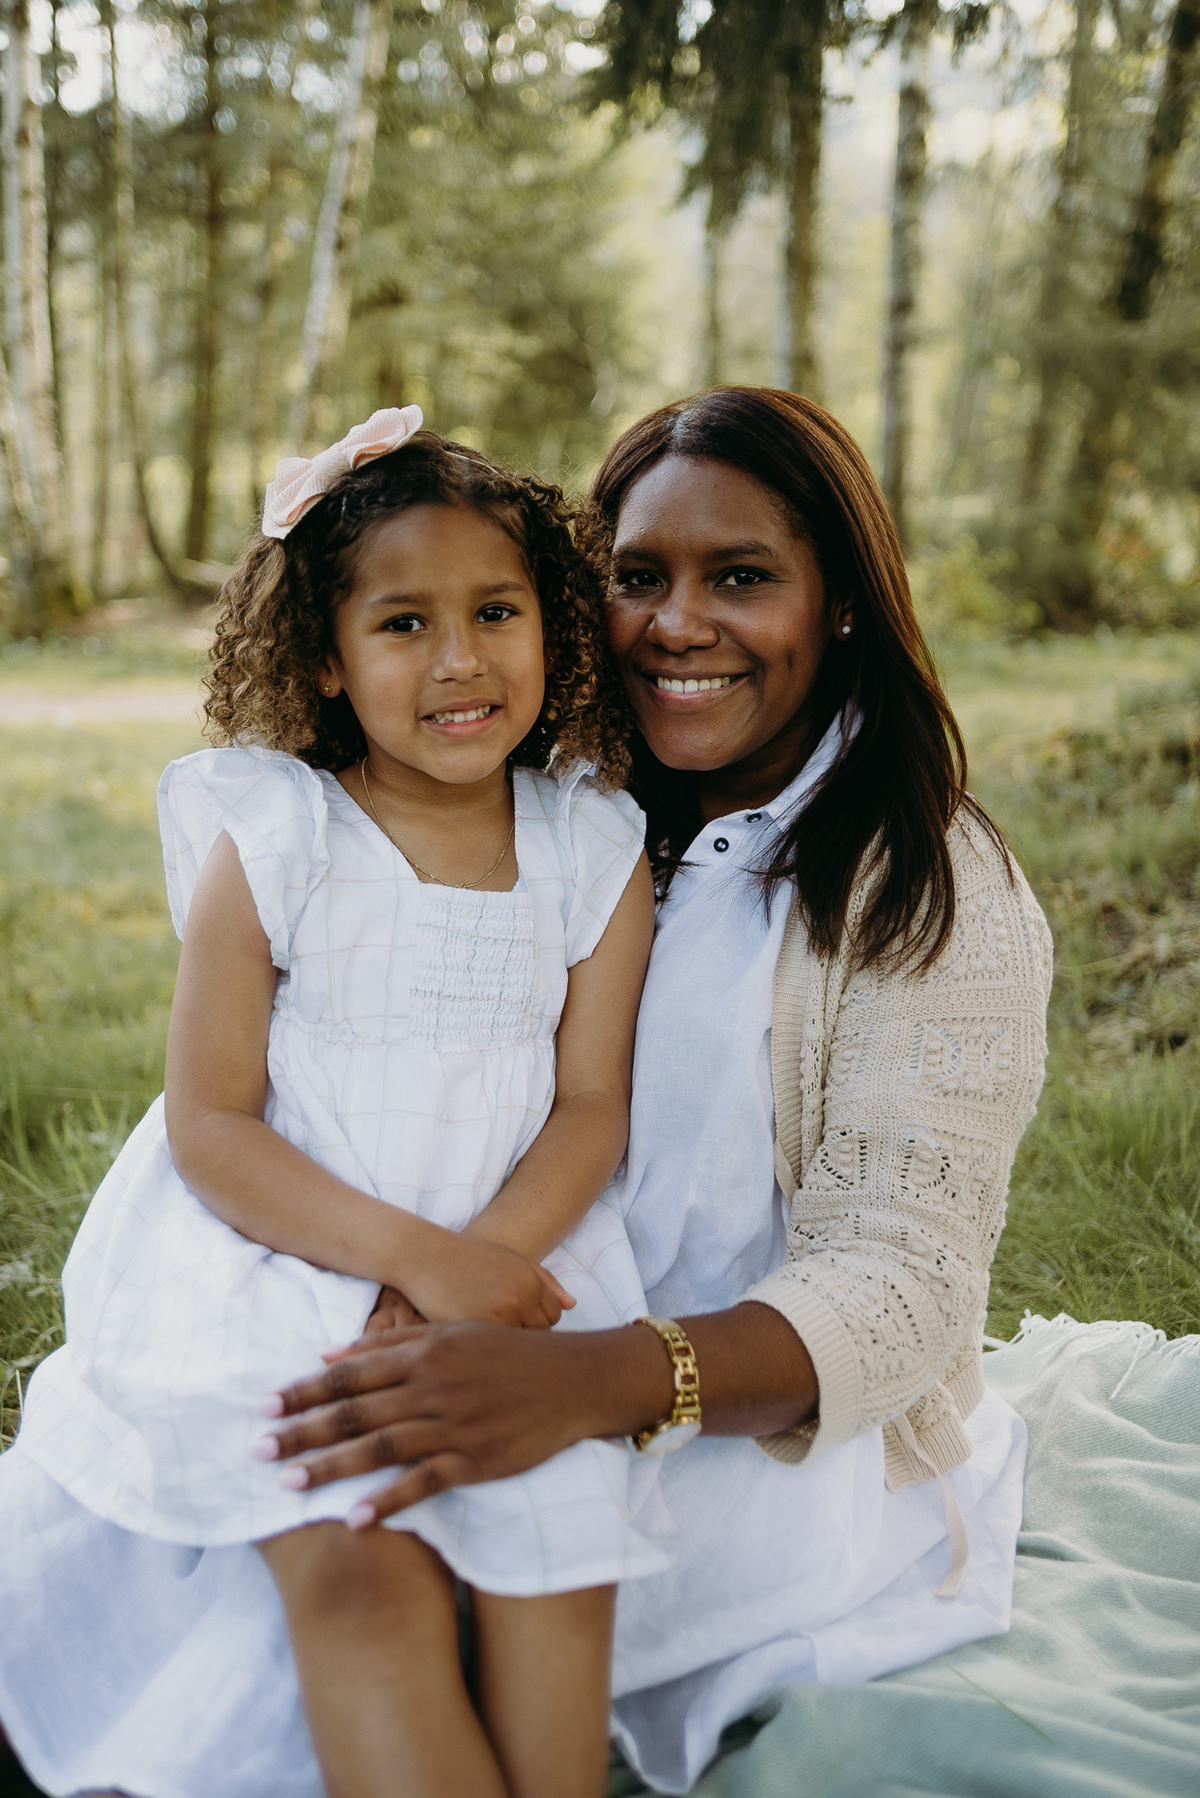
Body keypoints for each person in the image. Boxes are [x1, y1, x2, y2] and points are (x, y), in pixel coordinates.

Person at [257, 387, 1055, 1794]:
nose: (678, 625)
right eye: (639, 578)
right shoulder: (541, 804)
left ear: (842, 603)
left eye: (741, 577)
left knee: (435, 1620)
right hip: (449, 1308)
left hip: (737, 1430)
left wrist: (585, 1384)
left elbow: (904, 1286)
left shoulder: (930, 888)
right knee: (268, 1563)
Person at [0, 409, 672, 1798]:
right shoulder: (277, 835)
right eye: (403, 623)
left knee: (556, 1559)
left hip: (512, 1259)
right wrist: (408, 1262)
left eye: (495, 611)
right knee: (361, 1566)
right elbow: (211, 1121)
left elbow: (591, 1107)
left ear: (552, 625)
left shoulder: (592, 844)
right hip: (283, 1261)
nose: (459, 659)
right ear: (325, 655)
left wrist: (467, 1274)